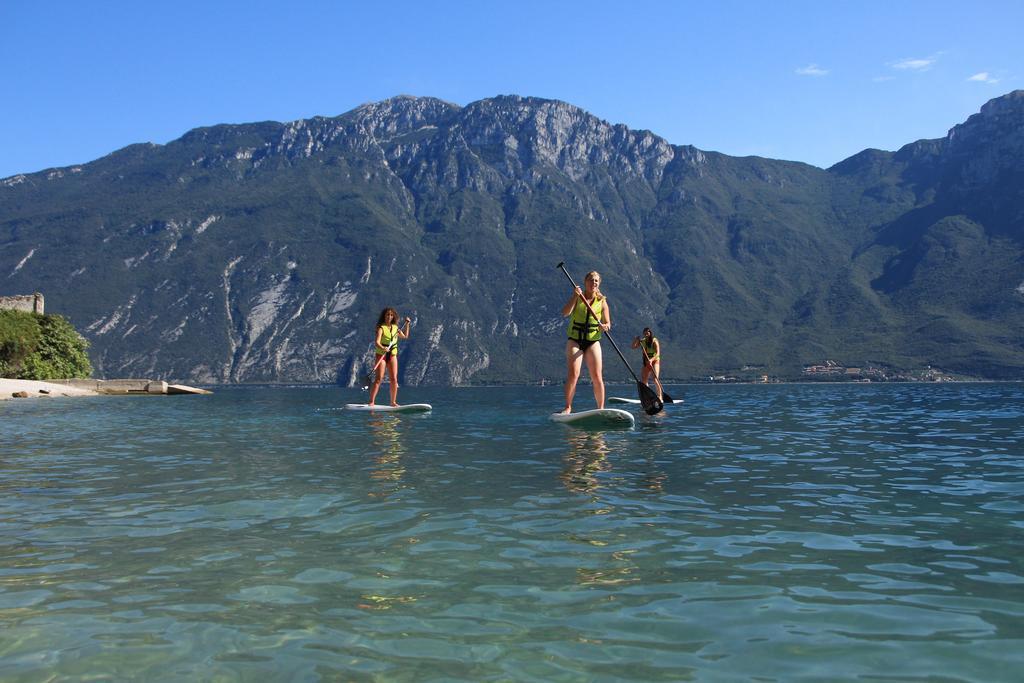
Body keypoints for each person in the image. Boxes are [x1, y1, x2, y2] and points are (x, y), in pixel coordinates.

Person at [561, 270, 611, 414]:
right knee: (574, 374)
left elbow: (607, 323)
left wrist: (605, 326)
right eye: (590, 280)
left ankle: (600, 409)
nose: (593, 282)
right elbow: (565, 313)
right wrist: (574, 296)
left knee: (597, 376)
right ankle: (568, 407)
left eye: (596, 280)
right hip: (575, 340)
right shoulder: (578, 297)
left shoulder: (602, 301)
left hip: (593, 340)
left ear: (598, 283)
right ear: (585, 282)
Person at [368, 307, 411, 406]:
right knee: (379, 378)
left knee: (394, 379)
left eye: (391, 315)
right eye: (387, 314)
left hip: (392, 355)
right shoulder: (381, 328)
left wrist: (407, 324)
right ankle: (371, 401)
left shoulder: (396, 328)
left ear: (393, 317)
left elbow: (405, 336)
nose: (389, 317)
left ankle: (393, 402)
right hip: (382, 355)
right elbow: (377, 342)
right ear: (384, 316)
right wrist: (383, 348)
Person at [632, 327, 663, 401]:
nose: (646, 334)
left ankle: (660, 396)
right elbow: (633, 347)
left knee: (655, 379)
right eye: (645, 333)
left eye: (648, 332)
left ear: (650, 333)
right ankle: (649, 396)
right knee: (644, 380)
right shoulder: (643, 341)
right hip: (646, 362)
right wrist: (635, 340)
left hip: (655, 361)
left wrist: (651, 360)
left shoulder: (654, 341)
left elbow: (658, 353)